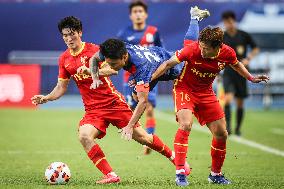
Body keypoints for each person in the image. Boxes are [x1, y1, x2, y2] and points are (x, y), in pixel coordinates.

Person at [30, 16, 189, 185]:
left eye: (72, 34)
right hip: (93, 110)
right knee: (84, 136)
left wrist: (92, 73)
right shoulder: (64, 59)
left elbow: (112, 70)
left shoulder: (94, 50)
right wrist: (46, 97)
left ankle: (175, 159)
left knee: (143, 137)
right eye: (65, 35)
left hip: (113, 104)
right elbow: (61, 87)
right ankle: (111, 175)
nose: (69, 38)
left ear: (80, 33)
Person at [150, 24, 269, 186]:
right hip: (184, 89)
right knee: (185, 125)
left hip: (206, 93)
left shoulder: (227, 53)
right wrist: (148, 82)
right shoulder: (192, 50)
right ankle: (180, 173)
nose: (202, 50)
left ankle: (215, 175)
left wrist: (251, 78)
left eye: (205, 48)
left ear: (218, 47)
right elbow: (167, 64)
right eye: (201, 46)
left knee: (222, 133)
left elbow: (236, 64)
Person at [89, 6, 210, 148]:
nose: (111, 66)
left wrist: (129, 126)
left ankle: (194, 18)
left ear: (124, 57)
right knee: (135, 95)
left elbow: (143, 103)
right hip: (156, 59)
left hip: (176, 69)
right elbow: (94, 59)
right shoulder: (118, 48)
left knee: (190, 49)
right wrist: (95, 77)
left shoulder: (142, 68)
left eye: (114, 64)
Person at [117, 0, 163, 155]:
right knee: (131, 109)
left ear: (146, 14)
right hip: (129, 77)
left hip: (150, 76)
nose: (138, 14)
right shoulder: (124, 34)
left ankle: (149, 141)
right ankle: (143, 135)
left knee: (148, 107)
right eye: (135, 12)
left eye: (140, 11)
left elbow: (160, 52)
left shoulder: (153, 31)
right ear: (131, 15)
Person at [221, 11, 260, 136]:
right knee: (227, 99)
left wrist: (248, 58)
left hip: (242, 71)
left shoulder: (243, 35)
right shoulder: (222, 37)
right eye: (226, 22)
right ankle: (228, 128)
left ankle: (238, 128)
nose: (229, 24)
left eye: (230, 21)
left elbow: (255, 48)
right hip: (228, 72)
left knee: (240, 102)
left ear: (234, 21)